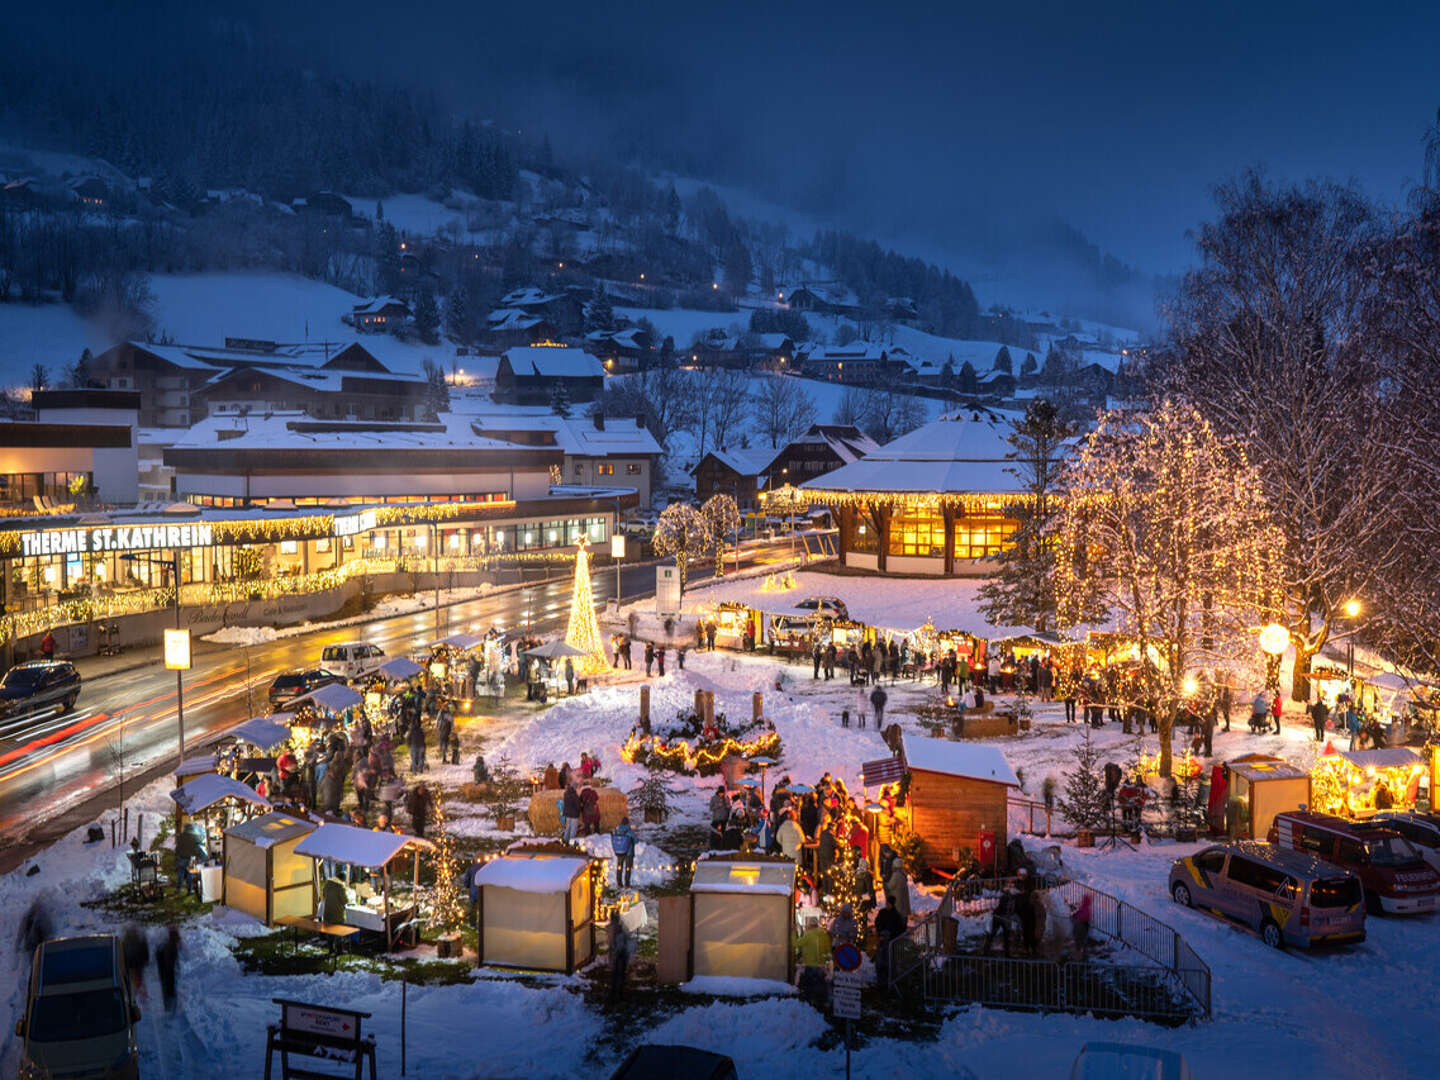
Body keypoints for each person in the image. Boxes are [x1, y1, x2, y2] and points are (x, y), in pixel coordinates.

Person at [873, 894, 906, 986]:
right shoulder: (882, 912)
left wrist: (890, 936)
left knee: (888, 960)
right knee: (880, 960)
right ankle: (880, 979)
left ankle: (888, 979)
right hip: (882, 939)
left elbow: (899, 928)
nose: (887, 905)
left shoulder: (895, 915)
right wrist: (880, 933)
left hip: (890, 941)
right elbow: (877, 923)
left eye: (888, 903)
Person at [982, 882, 1020, 957]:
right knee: (995, 934)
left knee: (1006, 935)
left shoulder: (1011, 898)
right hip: (999, 917)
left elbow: (1012, 910)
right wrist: (1007, 917)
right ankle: (986, 951)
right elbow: (1005, 909)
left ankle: (1006, 953)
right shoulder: (1006, 897)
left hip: (1003, 917)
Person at [607, 913, 634, 1004]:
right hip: (619, 953)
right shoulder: (618, 928)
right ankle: (617, 993)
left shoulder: (614, 929)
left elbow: (613, 943)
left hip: (620, 953)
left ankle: (617, 993)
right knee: (617, 974)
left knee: (618, 974)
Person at [154, 924, 180, 1013]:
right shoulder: (170, 946)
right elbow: (169, 961)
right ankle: (170, 1010)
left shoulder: (169, 945)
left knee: (168, 991)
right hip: (167, 973)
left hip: (165, 972)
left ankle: (169, 1009)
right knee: (169, 991)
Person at [122, 925, 149, 999]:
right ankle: (138, 993)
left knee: (137, 978)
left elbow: (143, 950)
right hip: (134, 964)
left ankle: (139, 993)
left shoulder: (126, 941)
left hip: (135, 964)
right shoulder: (127, 942)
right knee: (136, 979)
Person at [610, 817, 636, 887]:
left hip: (619, 852)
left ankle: (619, 883)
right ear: (628, 823)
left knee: (619, 867)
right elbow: (636, 841)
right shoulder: (630, 831)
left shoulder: (617, 830)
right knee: (628, 868)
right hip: (629, 852)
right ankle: (627, 883)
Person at [1071, 890, 1093, 959]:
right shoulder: (1084, 908)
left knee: (1079, 940)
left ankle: (1079, 954)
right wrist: (1074, 915)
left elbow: (1082, 916)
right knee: (1081, 940)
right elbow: (1078, 913)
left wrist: (1075, 916)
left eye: (1083, 900)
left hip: (1082, 926)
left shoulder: (1085, 908)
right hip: (1083, 926)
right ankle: (1081, 952)